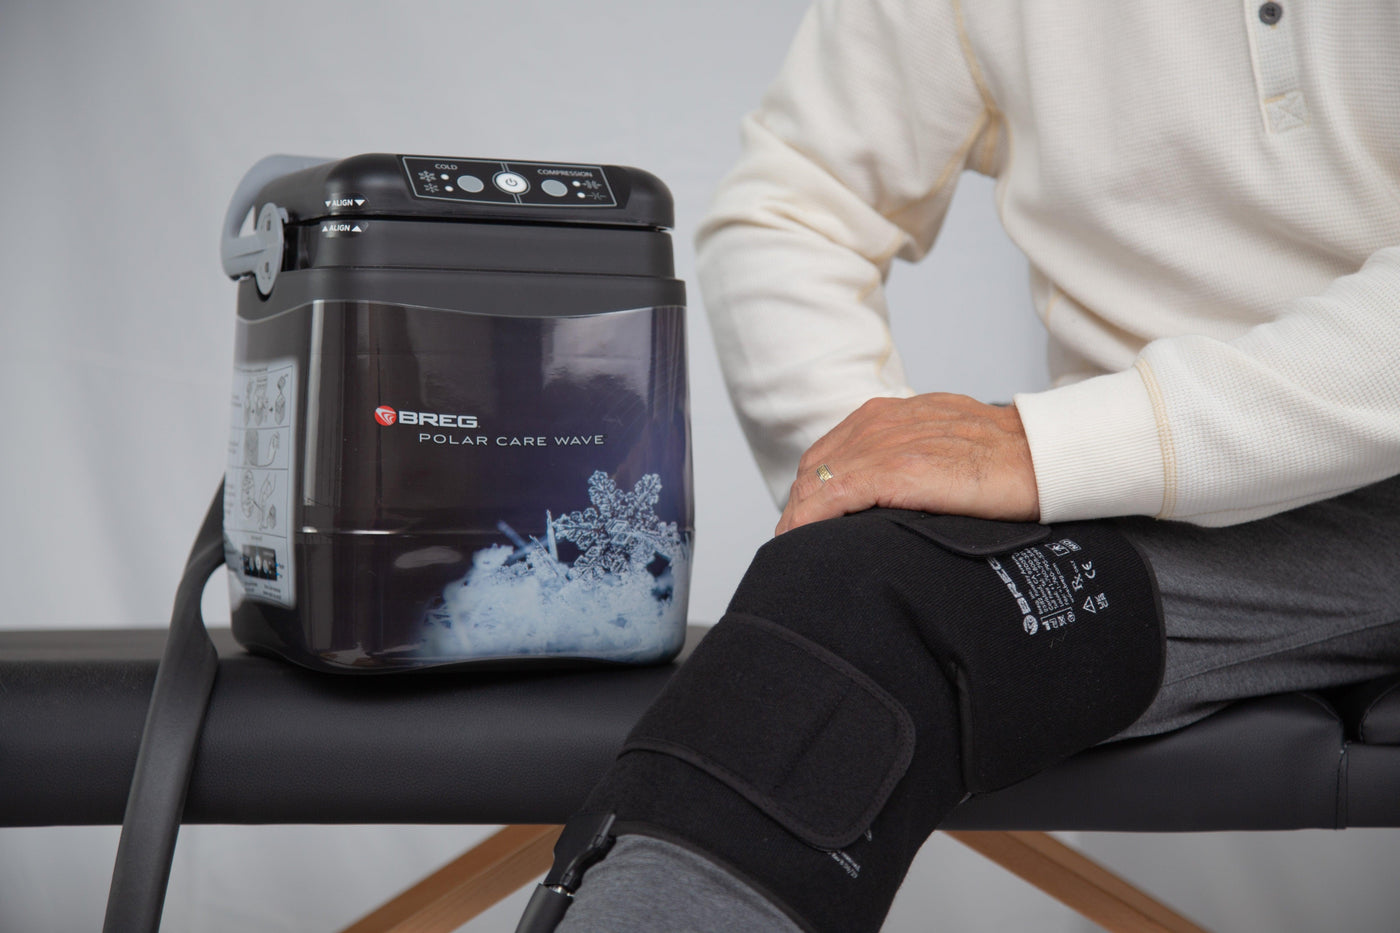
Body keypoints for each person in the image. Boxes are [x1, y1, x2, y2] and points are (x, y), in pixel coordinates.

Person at [525, 2, 1400, 931]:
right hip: (1158, 518)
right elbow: (793, 207)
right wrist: (873, 488)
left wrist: (1060, 444)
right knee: (864, 596)